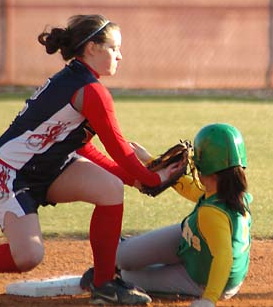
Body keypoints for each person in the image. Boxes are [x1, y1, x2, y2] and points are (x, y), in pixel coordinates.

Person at [0, 14, 183, 307]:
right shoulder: (89, 90)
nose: (120, 55)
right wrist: (151, 179)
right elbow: (119, 149)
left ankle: (104, 284)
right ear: (92, 48)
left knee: (110, 189)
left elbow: (83, 148)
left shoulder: (80, 80)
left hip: (52, 167)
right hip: (9, 172)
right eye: (113, 47)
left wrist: (132, 179)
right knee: (29, 257)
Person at [81, 123, 253, 307]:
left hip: (202, 277)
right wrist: (150, 160)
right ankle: (129, 250)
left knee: (127, 276)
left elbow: (223, 257)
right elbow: (192, 188)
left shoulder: (212, 214)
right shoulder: (231, 193)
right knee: (120, 256)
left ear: (206, 169)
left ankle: (127, 268)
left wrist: (209, 299)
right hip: (194, 242)